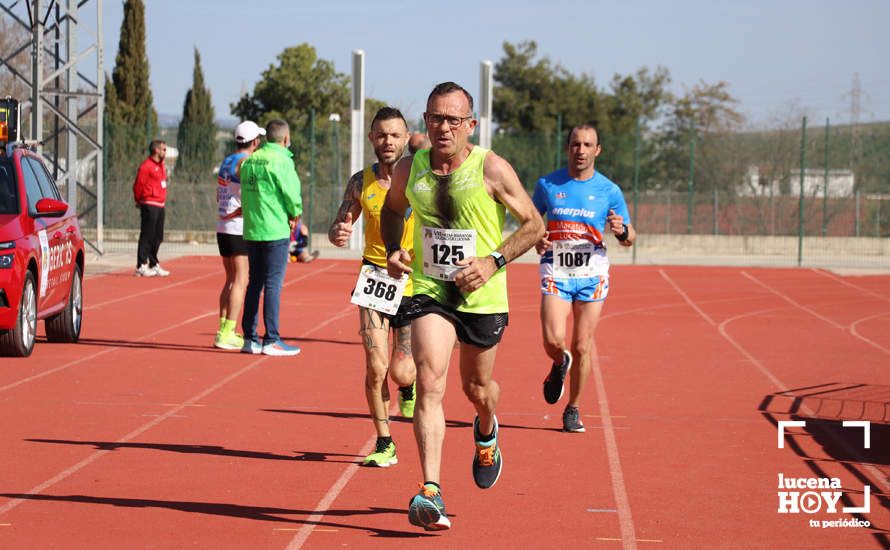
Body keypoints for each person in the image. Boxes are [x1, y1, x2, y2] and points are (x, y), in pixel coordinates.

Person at [381, 82, 544, 531]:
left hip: (482, 297)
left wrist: (492, 262)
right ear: (426, 122)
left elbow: (534, 225)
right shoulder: (409, 169)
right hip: (430, 290)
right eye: (436, 118)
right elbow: (393, 212)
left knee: (477, 388)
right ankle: (430, 490)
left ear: (470, 124)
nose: (444, 127)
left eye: (454, 119)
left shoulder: (491, 168)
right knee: (430, 380)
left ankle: (487, 427)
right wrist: (395, 248)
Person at [328, 106, 418, 468]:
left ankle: (408, 388)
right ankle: (384, 443)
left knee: (402, 370)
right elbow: (340, 223)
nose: (388, 142)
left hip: (412, 280)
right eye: (381, 135)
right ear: (371, 139)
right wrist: (338, 232)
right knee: (375, 364)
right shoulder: (359, 181)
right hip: (375, 278)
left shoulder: (420, 179)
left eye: (395, 135)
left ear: (406, 138)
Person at [533, 124, 636, 432]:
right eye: (575, 144)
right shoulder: (547, 184)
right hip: (557, 269)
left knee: (582, 345)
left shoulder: (609, 190)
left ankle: (573, 408)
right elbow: (532, 222)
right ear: (568, 148)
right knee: (553, 339)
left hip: (592, 273)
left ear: (597, 150)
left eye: (587, 145)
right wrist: (538, 238)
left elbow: (630, 237)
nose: (580, 150)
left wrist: (622, 231)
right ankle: (557, 364)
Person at [238, 119, 303, 357]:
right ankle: (271, 339)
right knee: (273, 284)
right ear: (285, 139)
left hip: (253, 229)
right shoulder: (282, 161)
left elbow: (243, 193)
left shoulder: (250, 160)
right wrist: (295, 214)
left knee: (254, 283)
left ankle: (250, 338)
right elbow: (292, 194)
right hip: (275, 229)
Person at [213, 121, 265, 350]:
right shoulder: (245, 162)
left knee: (231, 279)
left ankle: (223, 328)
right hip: (237, 227)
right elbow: (250, 193)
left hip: (223, 226)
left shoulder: (227, 160)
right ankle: (228, 331)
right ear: (254, 142)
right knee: (241, 280)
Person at [133, 140, 170, 277]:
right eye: (164, 149)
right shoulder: (146, 167)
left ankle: (153, 263)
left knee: (158, 236)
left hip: (160, 205)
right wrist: (138, 200)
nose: (165, 152)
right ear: (156, 150)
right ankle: (141, 265)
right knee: (147, 235)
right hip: (149, 204)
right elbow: (138, 185)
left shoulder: (161, 166)